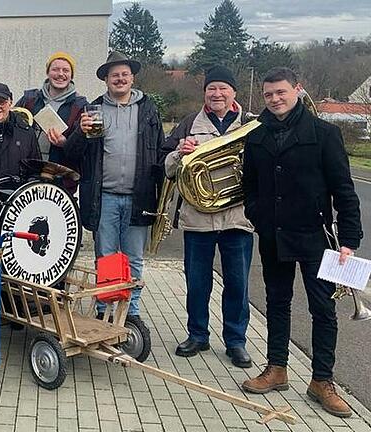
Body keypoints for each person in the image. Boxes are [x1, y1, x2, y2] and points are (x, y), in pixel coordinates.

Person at [241, 67, 362, 418]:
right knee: (277, 303)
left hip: (316, 238)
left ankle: (322, 380)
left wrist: (350, 239)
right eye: (268, 95)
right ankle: (277, 368)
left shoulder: (325, 133)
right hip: (273, 235)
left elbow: (344, 191)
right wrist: (257, 215)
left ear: (297, 89)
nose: (275, 99)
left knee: (322, 310)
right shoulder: (257, 136)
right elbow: (250, 186)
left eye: (281, 92)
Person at [162, 65, 253, 368]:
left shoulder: (250, 124)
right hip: (198, 218)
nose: (217, 93)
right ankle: (198, 334)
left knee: (238, 284)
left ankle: (236, 341)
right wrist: (180, 154)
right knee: (197, 282)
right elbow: (168, 169)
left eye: (223, 88)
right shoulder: (190, 123)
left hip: (237, 218)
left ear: (233, 92)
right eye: (211, 88)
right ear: (205, 93)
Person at [66, 50, 167, 322]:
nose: (120, 79)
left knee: (133, 258)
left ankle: (130, 313)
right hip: (104, 198)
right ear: (106, 80)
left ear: (132, 77)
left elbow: (160, 151)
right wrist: (80, 131)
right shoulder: (93, 109)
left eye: (124, 74)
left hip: (139, 197)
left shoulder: (148, 110)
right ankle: (105, 311)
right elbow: (72, 153)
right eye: (114, 75)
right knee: (107, 258)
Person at [15, 51, 87, 193]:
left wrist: (65, 143)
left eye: (66, 70)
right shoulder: (29, 99)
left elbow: (83, 150)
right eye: (55, 69)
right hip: (27, 176)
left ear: (71, 75)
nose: (60, 74)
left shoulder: (81, 106)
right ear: (48, 72)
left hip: (62, 181)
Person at [0, 82, 40, 188]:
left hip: (19, 199)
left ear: (10, 102)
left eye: (2, 102)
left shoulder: (26, 132)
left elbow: (36, 170)